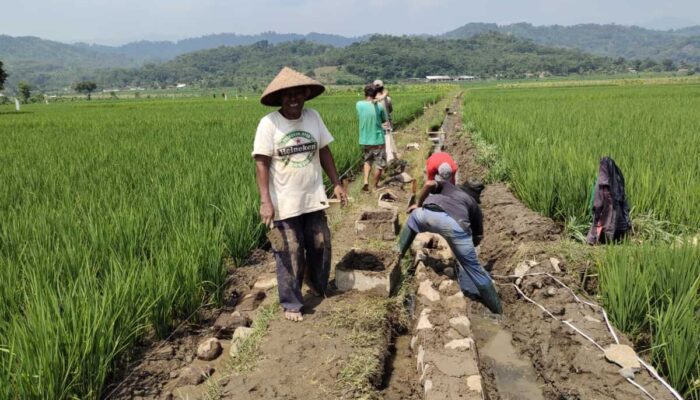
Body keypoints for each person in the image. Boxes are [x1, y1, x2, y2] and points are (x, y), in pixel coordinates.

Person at [252, 67, 348, 322]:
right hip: (284, 203)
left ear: (305, 95)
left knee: (320, 243)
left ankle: (317, 285)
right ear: (280, 99)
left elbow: (324, 151)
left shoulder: (313, 117)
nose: (293, 100)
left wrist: (336, 183)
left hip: (313, 198)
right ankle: (291, 302)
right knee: (290, 250)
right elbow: (261, 163)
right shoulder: (269, 124)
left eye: (297, 94)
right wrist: (265, 201)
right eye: (287, 96)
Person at [397, 163, 502, 314]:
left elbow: (428, 183)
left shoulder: (448, 186)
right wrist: (464, 251)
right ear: (477, 195)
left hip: (426, 214)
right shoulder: (474, 205)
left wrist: (418, 205)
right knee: (475, 271)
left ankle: (396, 256)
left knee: (413, 219)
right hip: (454, 225)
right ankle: (497, 311)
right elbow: (477, 237)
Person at [356, 83, 387, 191]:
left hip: (365, 139)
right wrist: (381, 98)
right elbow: (384, 120)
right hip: (378, 139)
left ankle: (365, 181)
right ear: (376, 94)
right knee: (380, 164)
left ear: (365, 93)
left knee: (368, 160)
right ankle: (375, 186)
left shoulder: (359, 104)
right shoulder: (379, 106)